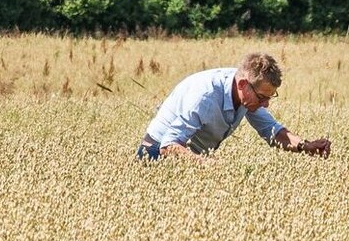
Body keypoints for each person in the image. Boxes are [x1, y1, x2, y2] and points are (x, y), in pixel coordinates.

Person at [137, 52, 331, 160]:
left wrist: (305, 146)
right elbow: (169, 146)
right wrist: (207, 167)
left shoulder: (247, 93)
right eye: (262, 97)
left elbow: (271, 130)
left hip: (192, 159)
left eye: (270, 97)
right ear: (242, 85)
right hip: (154, 154)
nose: (266, 104)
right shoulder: (204, 97)